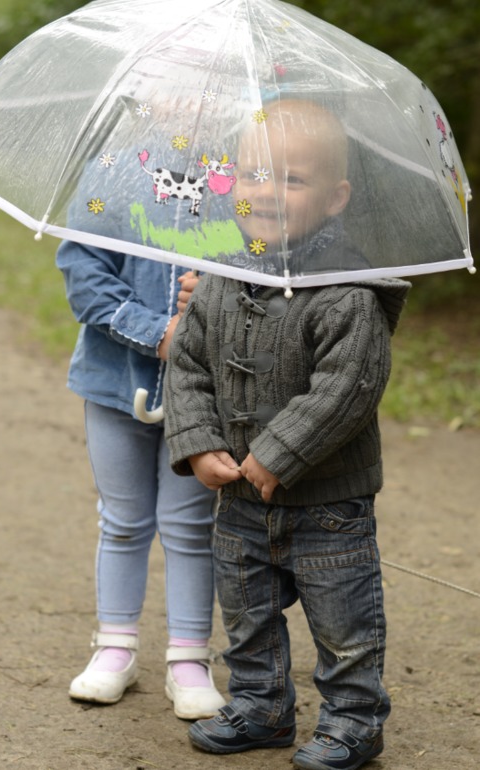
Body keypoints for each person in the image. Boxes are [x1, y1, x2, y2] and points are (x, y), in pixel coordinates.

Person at [163, 98, 411, 769]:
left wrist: (278, 451)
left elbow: (347, 387)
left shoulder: (348, 293)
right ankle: (260, 706)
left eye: (292, 180)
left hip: (328, 508)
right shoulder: (220, 274)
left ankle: (355, 719)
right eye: (252, 175)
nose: (266, 193)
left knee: (345, 623)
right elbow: (187, 364)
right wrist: (197, 441)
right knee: (246, 617)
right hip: (241, 500)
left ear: (335, 198)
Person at [56, 237, 226, 720]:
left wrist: (213, 295)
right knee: (123, 519)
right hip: (113, 383)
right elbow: (84, 274)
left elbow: (266, 273)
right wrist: (156, 332)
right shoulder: (111, 183)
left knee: (190, 525)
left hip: (203, 394)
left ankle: (189, 656)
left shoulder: (240, 190)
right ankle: (115, 646)